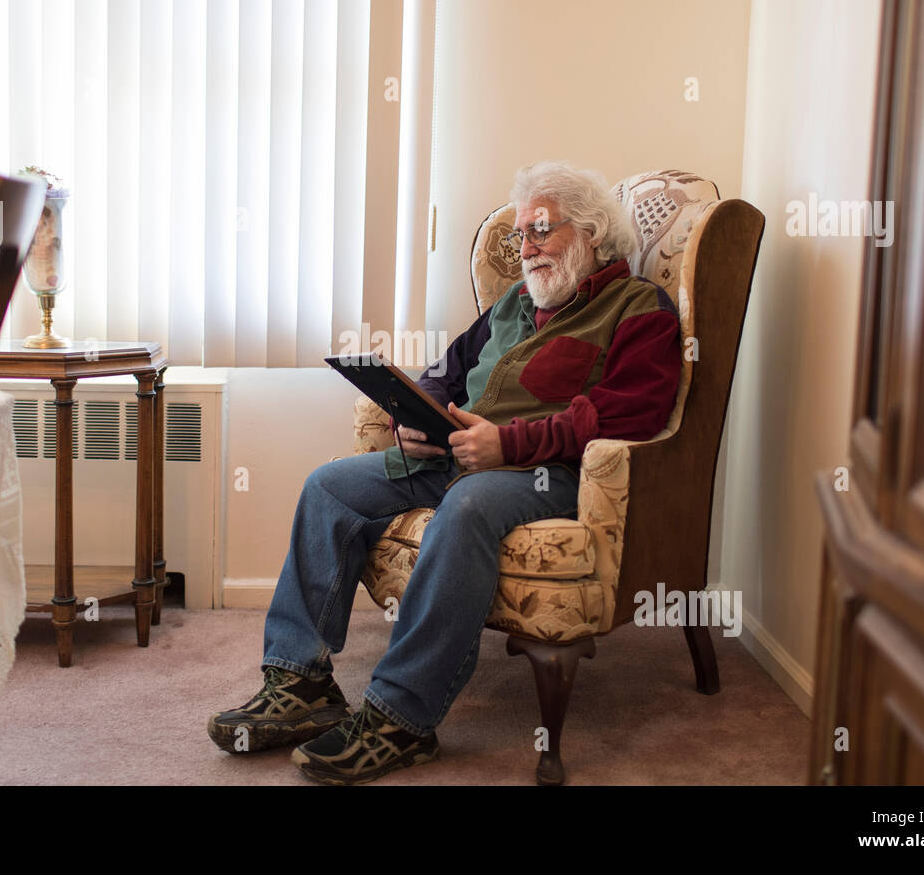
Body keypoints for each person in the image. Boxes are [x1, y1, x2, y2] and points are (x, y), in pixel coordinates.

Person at [207, 159, 682, 784]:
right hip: (458, 454)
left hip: (547, 473)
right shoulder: (515, 302)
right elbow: (447, 369)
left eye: (541, 231)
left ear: (591, 232)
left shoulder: (639, 307)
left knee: (469, 507)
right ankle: (302, 683)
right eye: (520, 236)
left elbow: (633, 411)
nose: (527, 249)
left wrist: (510, 445)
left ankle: (401, 717)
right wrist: (418, 416)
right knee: (329, 486)